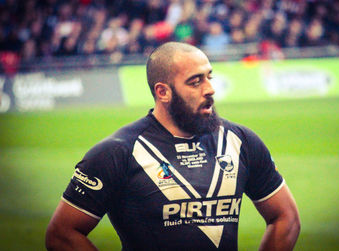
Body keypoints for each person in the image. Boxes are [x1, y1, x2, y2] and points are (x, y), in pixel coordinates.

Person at [45, 42, 300, 251]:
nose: (210, 89)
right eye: (195, 81)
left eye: (209, 77)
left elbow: (286, 217)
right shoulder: (118, 151)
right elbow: (61, 234)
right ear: (163, 92)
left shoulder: (241, 141)